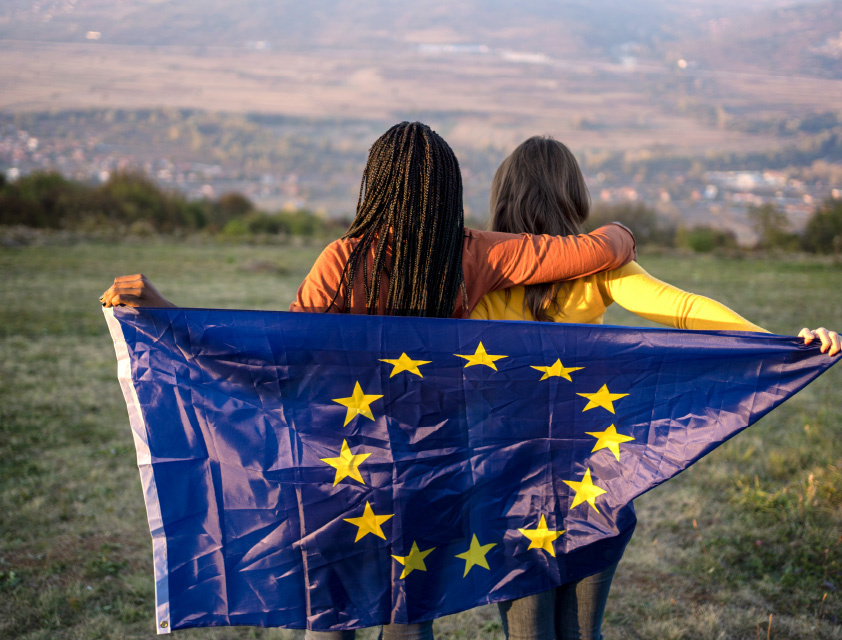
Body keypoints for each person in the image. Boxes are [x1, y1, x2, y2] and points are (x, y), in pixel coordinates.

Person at [100, 122, 640, 639]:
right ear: (447, 190)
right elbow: (600, 250)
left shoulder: (340, 261)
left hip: (336, 469)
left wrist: (164, 314)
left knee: (330, 618)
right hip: (428, 471)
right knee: (409, 619)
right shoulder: (476, 253)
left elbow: (271, 359)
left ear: (374, 184)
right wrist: (621, 230)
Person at [469, 136, 842, 640]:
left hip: (510, 488)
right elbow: (685, 309)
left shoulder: (476, 275)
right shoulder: (598, 268)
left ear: (503, 195)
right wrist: (780, 344)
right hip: (595, 484)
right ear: (571, 194)